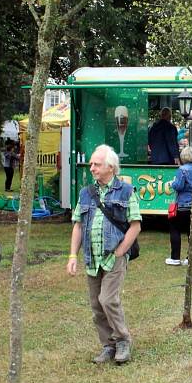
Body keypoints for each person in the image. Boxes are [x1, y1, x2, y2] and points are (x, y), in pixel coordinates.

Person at [67, 144, 141, 363]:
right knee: (96, 306)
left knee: (108, 300)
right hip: (92, 258)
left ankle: (123, 341)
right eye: (91, 164)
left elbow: (135, 225)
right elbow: (78, 226)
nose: (91, 168)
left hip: (114, 258)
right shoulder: (86, 193)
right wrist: (72, 256)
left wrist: (120, 251)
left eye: (96, 164)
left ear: (111, 167)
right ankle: (108, 345)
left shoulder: (126, 191)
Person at [168, 146, 192, 266]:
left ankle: (175, 257)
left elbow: (179, 186)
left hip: (183, 204)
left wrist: (172, 183)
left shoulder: (182, 170)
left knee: (175, 228)